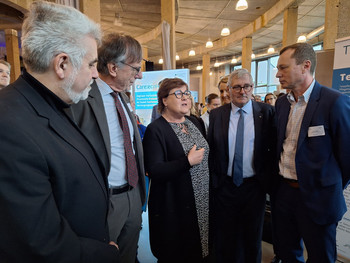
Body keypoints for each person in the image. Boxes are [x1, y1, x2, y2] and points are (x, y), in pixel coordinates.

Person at [0, 2, 119, 262]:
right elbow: (38, 241)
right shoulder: (8, 126)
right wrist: (105, 254)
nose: (95, 75)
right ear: (62, 64)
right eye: (91, 64)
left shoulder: (53, 102)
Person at [70, 33, 146, 263]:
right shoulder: (81, 98)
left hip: (132, 195)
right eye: (135, 68)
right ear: (113, 67)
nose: (139, 75)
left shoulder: (121, 97)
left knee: (129, 256)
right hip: (105, 202)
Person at [273, 42, 350, 262]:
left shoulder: (334, 101)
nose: (278, 74)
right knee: (287, 253)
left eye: (283, 67)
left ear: (305, 65)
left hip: (319, 197)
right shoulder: (282, 104)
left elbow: (347, 157)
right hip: (285, 194)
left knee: (321, 257)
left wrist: (328, 185)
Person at [208, 68, 276, 263]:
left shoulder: (267, 112)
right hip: (225, 186)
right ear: (228, 90)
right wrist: (215, 182)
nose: (242, 91)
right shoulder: (217, 115)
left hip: (254, 187)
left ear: (252, 87)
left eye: (246, 86)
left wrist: (268, 182)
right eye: (236, 87)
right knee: (226, 237)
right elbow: (212, 150)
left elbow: (273, 149)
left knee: (252, 238)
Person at [143, 78, 210, 263]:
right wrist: (187, 162)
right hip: (174, 205)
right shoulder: (155, 130)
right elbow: (155, 170)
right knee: (178, 253)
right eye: (178, 94)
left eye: (187, 93)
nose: (185, 98)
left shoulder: (194, 122)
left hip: (202, 202)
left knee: (200, 250)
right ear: (164, 100)